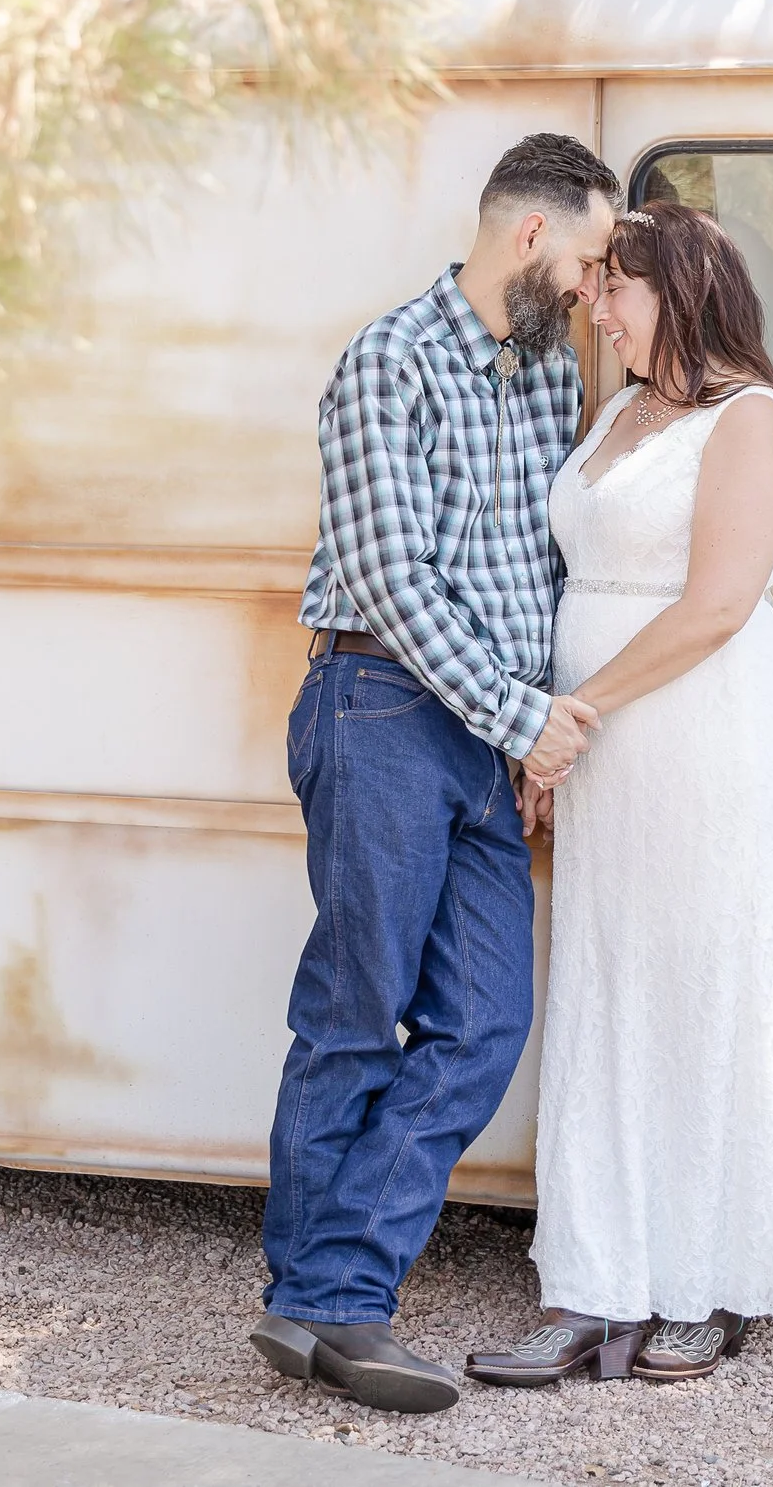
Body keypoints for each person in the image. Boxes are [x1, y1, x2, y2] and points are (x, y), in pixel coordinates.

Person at [251, 133, 621, 1414]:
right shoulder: (386, 361)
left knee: (484, 1020)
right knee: (356, 1010)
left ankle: (321, 1290)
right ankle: (333, 1305)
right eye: (582, 258)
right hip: (379, 706)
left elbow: (543, 569)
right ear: (528, 235)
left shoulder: (541, 380)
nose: (587, 287)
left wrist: (530, 735)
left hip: (484, 733)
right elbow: (396, 581)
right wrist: (521, 719)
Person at [466, 201, 773, 1390]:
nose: (595, 305)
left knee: (704, 982)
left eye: (614, 287)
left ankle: (708, 1281)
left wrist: (570, 722)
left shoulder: (751, 418)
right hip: (601, 732)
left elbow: (717, 604)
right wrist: (552, 723)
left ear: (678, 289)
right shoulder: (619, 408)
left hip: (698, 731)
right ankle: (595, 1279)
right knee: (605, 987)